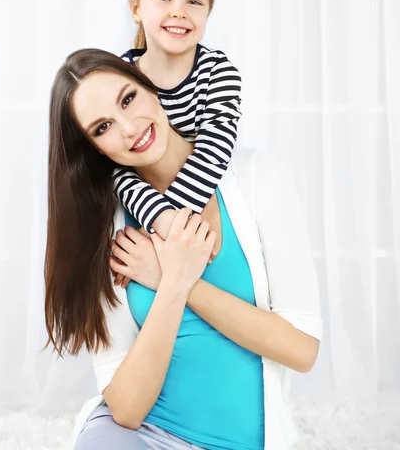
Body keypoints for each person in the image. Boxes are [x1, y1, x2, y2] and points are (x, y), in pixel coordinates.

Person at [45, 48, 322, 450]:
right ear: (95, 149)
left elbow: (302, 350)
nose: (128, 127)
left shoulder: (260, 178)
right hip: (141, 436)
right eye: (103, 127)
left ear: (151, 88)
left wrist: (171, 277)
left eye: (128, 99)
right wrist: (174, 285)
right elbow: (125, 409)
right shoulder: (108, 227)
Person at [113, 0, 242, 256]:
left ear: (209, 11)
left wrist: (172, 224)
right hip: (143, 205)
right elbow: (116, 169)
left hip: (201, 197)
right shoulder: (119, 77)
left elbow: (213, 151)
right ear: (136, 9)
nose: (179, 12)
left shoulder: (218, 72)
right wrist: (158, 218)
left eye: (194, 2)